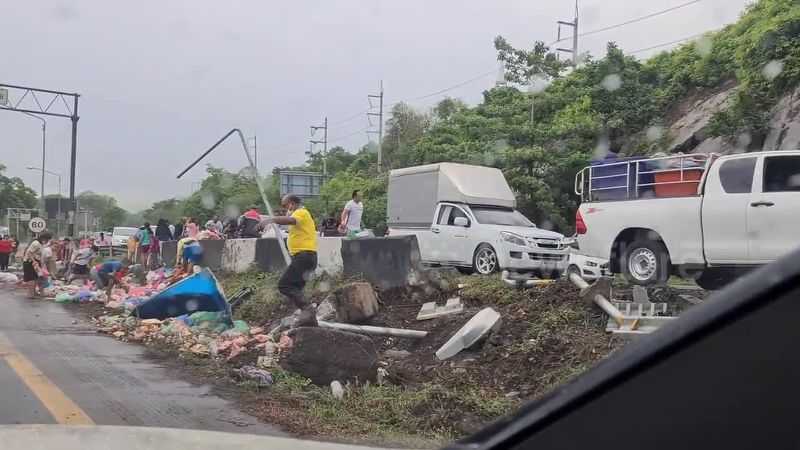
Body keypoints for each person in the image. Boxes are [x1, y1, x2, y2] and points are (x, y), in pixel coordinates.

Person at [262, 195, 318, 327]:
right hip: (306, 257)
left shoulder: (301, 212)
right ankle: (309, 320)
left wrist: (271, 219)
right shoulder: (302, 214)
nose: (285, 209)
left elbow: (291, 220)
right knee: (297, 288)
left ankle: (308, 310)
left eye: (285, 206)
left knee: (285, 285)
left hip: (304, 256)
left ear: (292, 204)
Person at [23, 232, 52, 298]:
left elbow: (39, 255)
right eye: (47, 239)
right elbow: (29, 253)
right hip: (30, 262)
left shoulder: (41, 244)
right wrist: (34, 261)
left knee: (36, 278)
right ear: (43, 238)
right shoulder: (36, 243)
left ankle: (34, 293)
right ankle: (31, 294)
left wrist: (41, 265)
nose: (47, 241)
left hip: (35, 262)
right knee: (31, 278)